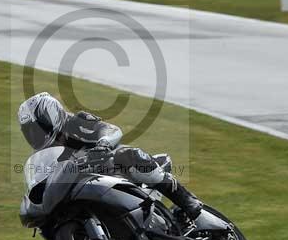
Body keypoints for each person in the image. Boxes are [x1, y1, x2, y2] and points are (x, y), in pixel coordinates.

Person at [18, 92, 203, 220]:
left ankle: (187, 200)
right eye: (30, 131)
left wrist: (103, 144)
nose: (35, 135)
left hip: (113, 171)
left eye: (38, 128)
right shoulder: (43, 155)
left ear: (51, 116)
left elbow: (112, 130)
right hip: (84, 190)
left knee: (127, 154)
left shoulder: (76, 123)